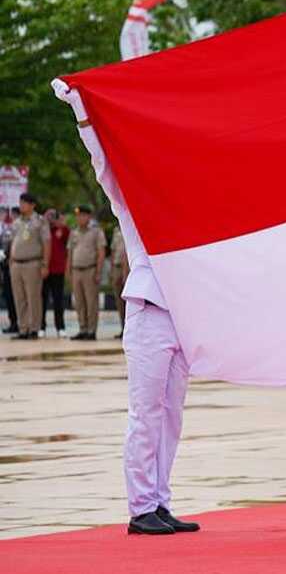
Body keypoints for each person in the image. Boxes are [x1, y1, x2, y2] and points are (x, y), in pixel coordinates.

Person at [58, 83, 199, 535]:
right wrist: (83, 114)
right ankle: (140, 507)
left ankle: (160, 500)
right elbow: (103, 167)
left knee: (172, 415)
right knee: (146, 412)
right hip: (148, 312)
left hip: (181, 317)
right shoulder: (131, 208)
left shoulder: (182, 212)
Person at [8, 193, 50, 340]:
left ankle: (34, 328)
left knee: (33, 297)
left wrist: (45, 264)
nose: (21, 206)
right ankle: (23, 328)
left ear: (32, 205)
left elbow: (46, 243)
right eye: (20, 203)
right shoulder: (16, 222)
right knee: (19, 298)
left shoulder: (39, 221)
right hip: (16, 263)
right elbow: (12, 243)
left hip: (33, 263)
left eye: (24, 203)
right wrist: (10, 262)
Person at [66, 205, 106, 340]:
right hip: (76, 270)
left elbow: (101, 252)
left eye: (82, 215)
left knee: (91, 302)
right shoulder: (74, 232)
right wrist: (68, 271)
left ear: (88, 216)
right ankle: (82, 328)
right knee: (79, 302)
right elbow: (70, 253)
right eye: (77, 215)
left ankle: (91, 330)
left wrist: (99, 271)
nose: (79, 218)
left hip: (90, 269)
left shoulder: (96, 232)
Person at [42, 209, 69, 336]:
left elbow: (69, 241)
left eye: (53, 216)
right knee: (42, 299)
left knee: (58, 300)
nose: (51, 219)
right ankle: (41, 327)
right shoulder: (42, 230)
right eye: (48, 216)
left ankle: (60, 327)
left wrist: (61, 223)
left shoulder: (62, 230)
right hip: (43, 270)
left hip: (58, 270)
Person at [111, 224, 129, 338]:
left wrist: (125, 271)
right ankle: (123, 328)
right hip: (117, 267)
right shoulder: (116, 229)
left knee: (129, 302)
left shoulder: (131, 225)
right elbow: (113, 250)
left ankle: (130, 330)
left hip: (128, 268)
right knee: (119, 301)